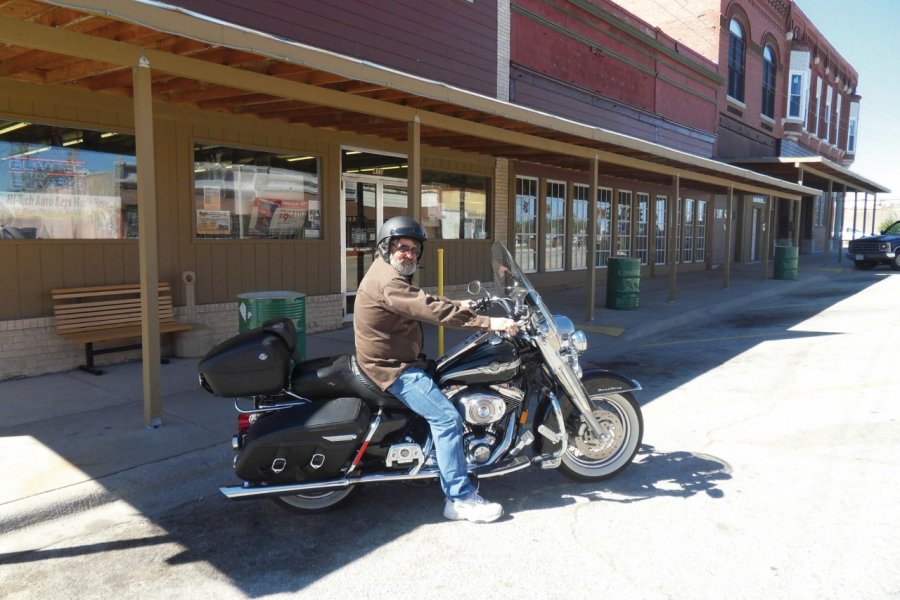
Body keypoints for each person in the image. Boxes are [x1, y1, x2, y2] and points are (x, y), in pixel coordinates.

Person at [353, 216, 518, 523]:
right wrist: (490, 323)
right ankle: (459, 498)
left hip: (397, 359)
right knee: (446, 419)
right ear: (387, 247)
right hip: (393, 368)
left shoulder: (385, 273)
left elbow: (420, 301)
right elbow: (428, 309)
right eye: (403, 247)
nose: (409, 254)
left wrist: (459, 303)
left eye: (415, 250)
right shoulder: (388, 281)